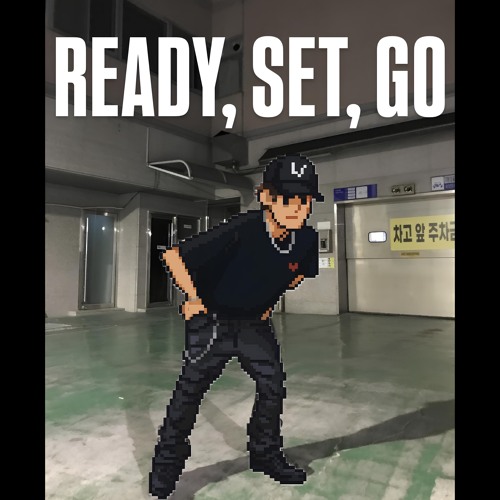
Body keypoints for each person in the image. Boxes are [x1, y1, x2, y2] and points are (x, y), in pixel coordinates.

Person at [150, 153, 324, 499]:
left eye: (304, 201)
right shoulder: (243, 228)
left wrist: (265, 300)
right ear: (266, 197)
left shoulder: (305, 239)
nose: (295, 208)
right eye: (286, 199)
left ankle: (265, 454)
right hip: (213, 323)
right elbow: (174, 256)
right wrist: (195, 298)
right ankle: (167, 467)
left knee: (273, 386)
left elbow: (297, 274)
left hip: (255, 326)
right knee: (189, 392)